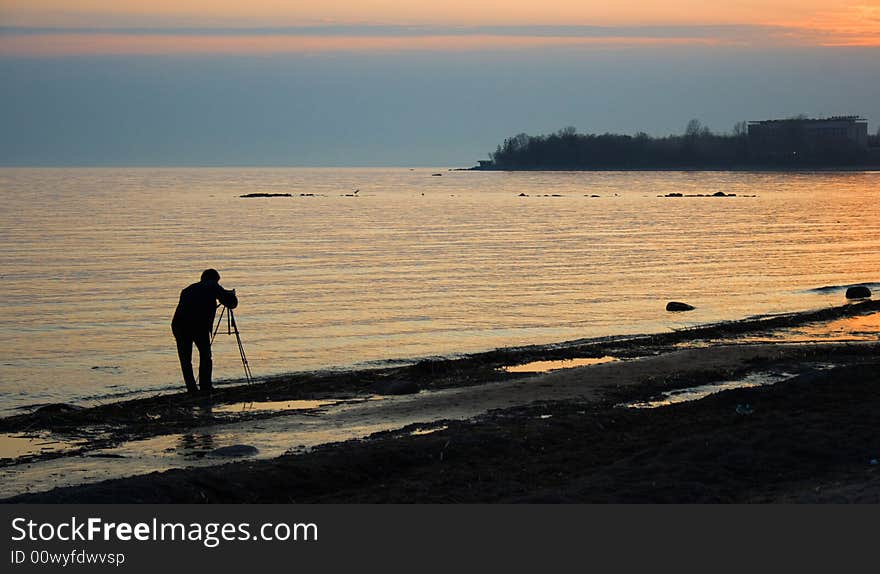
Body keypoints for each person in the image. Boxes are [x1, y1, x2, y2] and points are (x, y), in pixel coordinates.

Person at [171, 269, 238, 394]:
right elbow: (231, 303)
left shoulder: (188, 289)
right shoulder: (212, 286)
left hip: (179, 325)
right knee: (205, 355)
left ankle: (192, 389)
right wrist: (232, 295)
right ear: (214, 280)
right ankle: (205, 386)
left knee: (185, 359)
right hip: (197, 325)